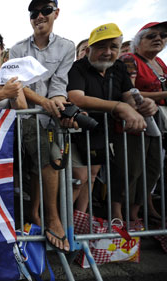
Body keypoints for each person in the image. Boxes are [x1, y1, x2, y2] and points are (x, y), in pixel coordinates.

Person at [67, 23, 157, 215]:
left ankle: (80, 218)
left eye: (113, 47)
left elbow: (128, 96)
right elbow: (76, 97)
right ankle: (66, 220)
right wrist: (118, 107)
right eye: (101, 47)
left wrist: (145, 104)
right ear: (89, 49)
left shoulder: (118, 68)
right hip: (80, 129)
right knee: (81, 177)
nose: (107, 52)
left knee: (93, 176)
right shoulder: (78, 67)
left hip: (105, 130)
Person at [9, 0, 75, 252]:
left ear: (56, 13)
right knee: (49, 158)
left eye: (45, 10)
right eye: (34, 12)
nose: (39, 16)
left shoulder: (67, 47)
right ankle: (53, 218)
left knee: (43, 167)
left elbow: (60, 83)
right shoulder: (17, 49)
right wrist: (45, 103)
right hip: (25, 115)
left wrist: (58, 103)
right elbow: (18, 86)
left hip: (51, 117)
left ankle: (39, 215)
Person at [116, 21, 167, 222]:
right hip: (135, 117)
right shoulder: (130, 59)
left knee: (154, 167)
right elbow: (129, 91)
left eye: (162, 35)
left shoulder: (160, 63)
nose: (158, 39)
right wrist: (163, 94)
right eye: (151, 35)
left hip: (158, 119)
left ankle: (137, 212)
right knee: (132, 168)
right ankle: (118, 213)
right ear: (139, 40)